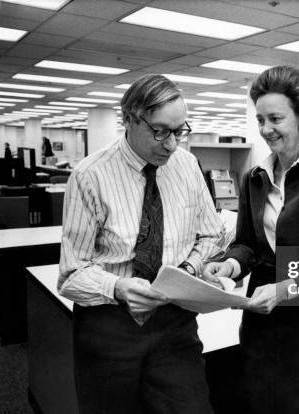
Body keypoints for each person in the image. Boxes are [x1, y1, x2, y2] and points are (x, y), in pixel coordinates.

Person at [58, 74, 225, 414]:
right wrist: (118, 287)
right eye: (160, 131)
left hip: (175, 324)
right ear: (130, 120)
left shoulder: (187, 166)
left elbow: (211, 234)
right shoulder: (90, 176)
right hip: (109, 327)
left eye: (180, 131)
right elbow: (71, 274)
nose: (172, 144)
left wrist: (188, 270)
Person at [203, 65, 299, 414]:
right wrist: (228, 265)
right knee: (261, 401)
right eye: (260, 119)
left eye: (275, 118)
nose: (265, 130)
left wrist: (285, 288)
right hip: (261, 318)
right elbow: (246, 244)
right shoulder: (254, 177)